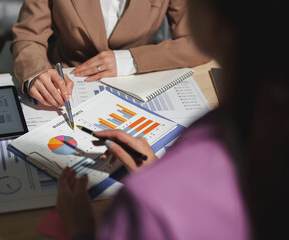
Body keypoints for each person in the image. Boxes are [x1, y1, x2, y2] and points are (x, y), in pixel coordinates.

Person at [56, 0, 288, 239]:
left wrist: (81, 229)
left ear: (212, 21)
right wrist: (158, 169)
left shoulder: (147, 206)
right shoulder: (262, 134)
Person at [11, 0, 208, 107]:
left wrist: (129, 59)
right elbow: (28, 36)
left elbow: (200, 42)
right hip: (68, 80)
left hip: (138, 82)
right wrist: (36, 72)